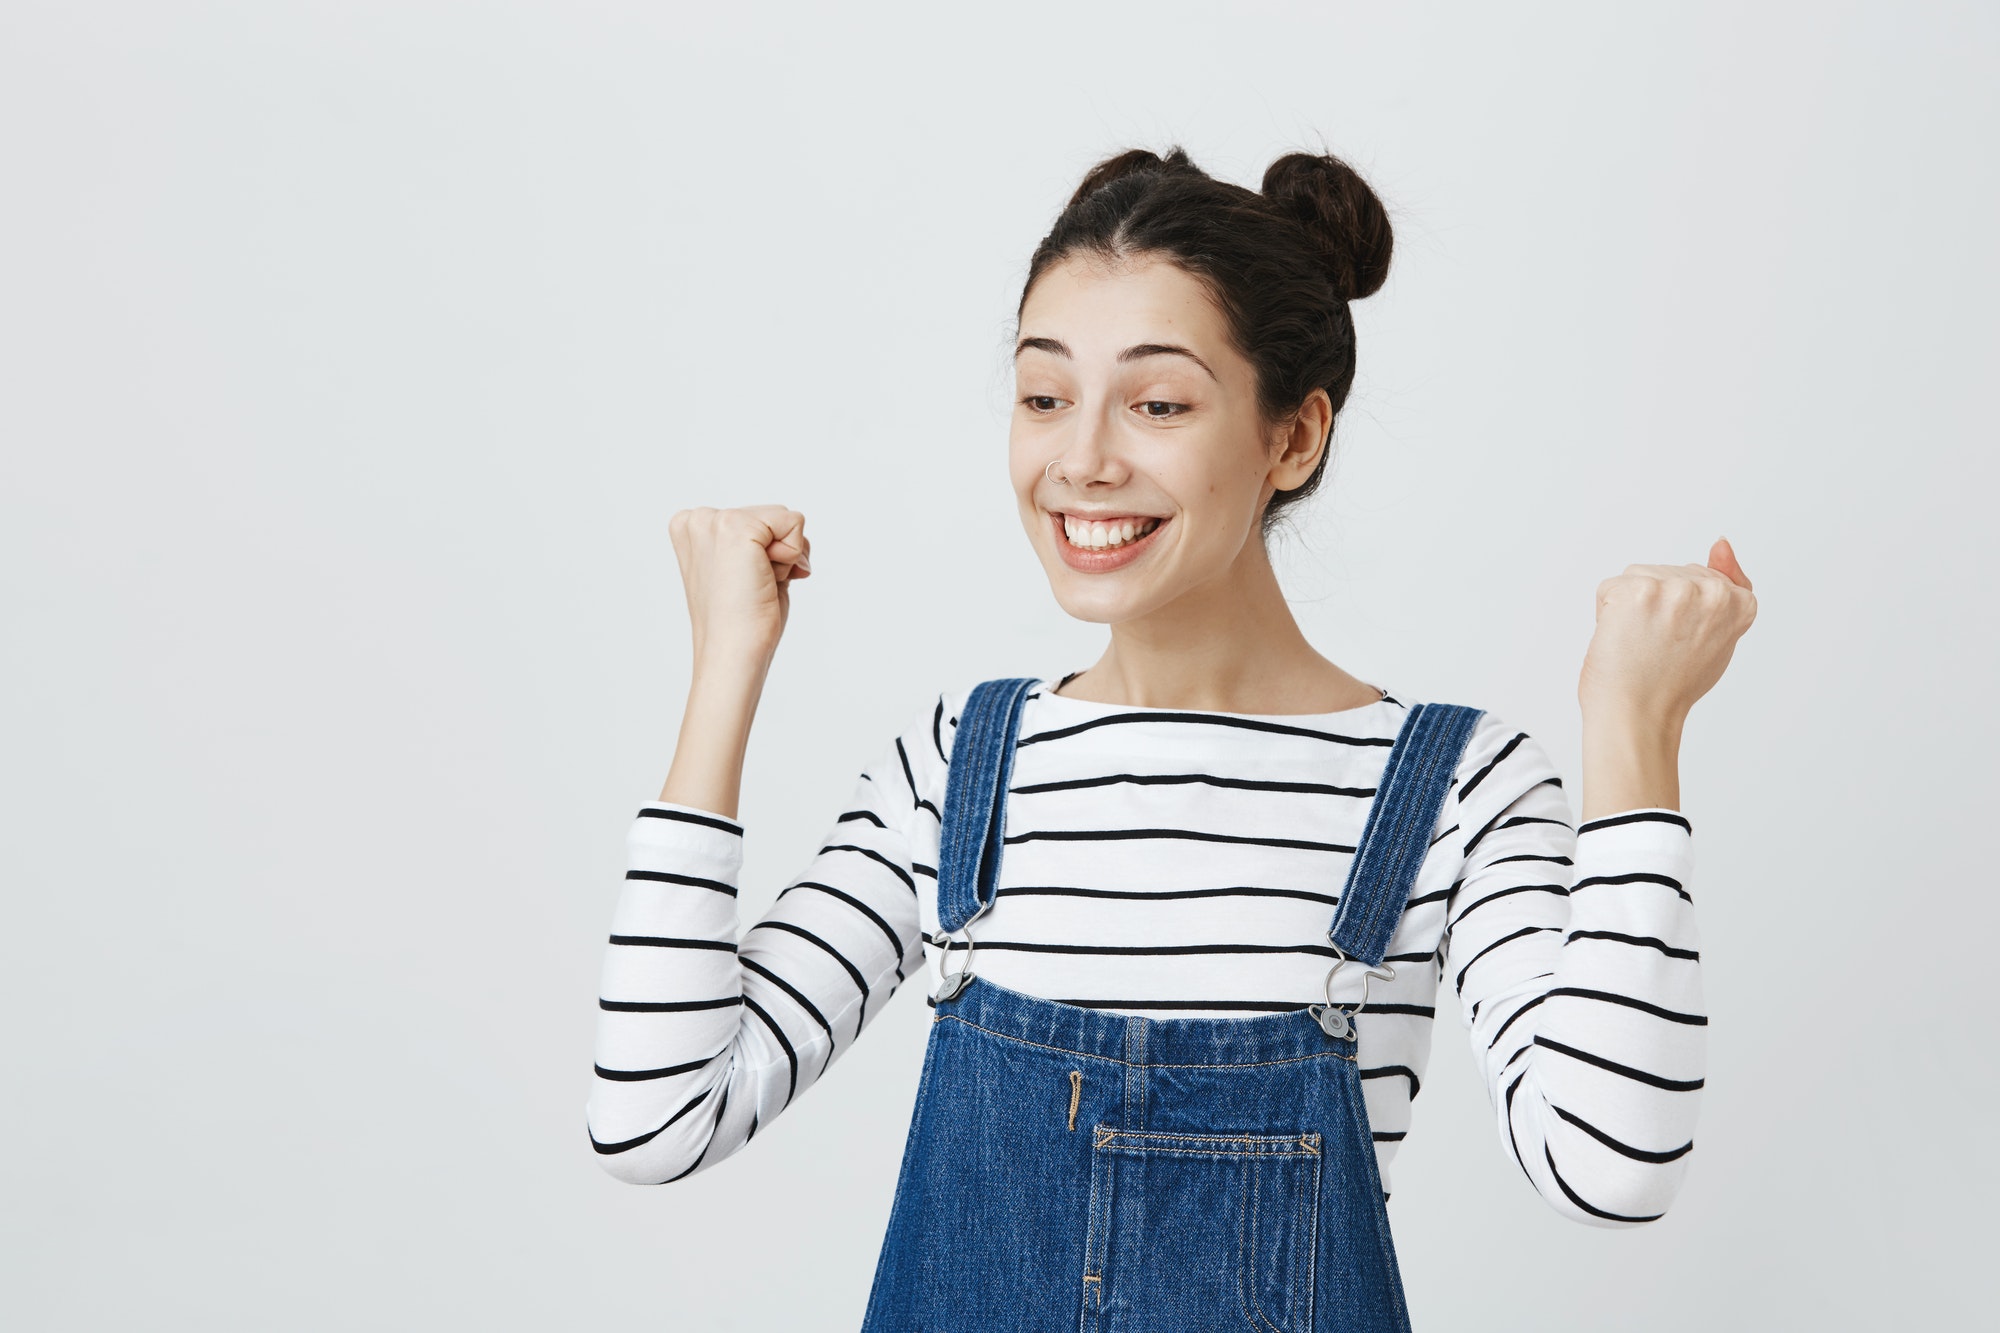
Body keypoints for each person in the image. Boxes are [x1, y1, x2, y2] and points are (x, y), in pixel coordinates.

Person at [585, 145, 1757, 1331]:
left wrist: (1631, 731)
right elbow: (655, 1117)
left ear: (1292, 438)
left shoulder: (1455, 788)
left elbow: (1608, 1163)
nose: (1082, 459)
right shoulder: (961, 766)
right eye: (1044, 397)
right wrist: (725, 669)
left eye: (1156, 404)